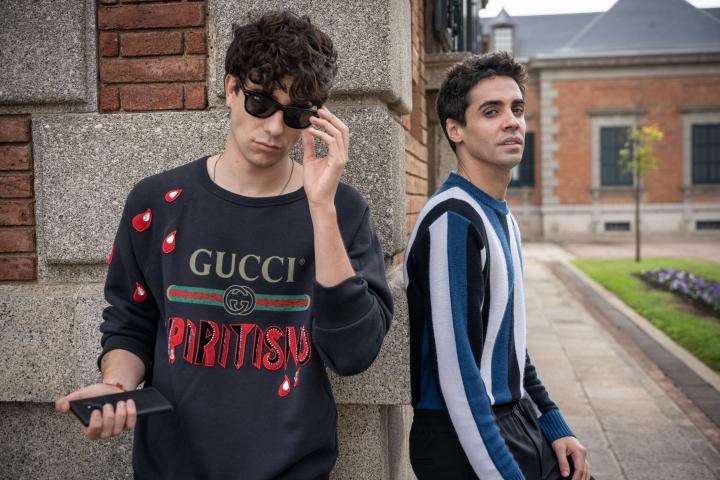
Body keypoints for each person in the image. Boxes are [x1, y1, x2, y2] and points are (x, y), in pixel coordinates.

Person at [55, 11, 392, 480]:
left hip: (291, 466)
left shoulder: (341, 209)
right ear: (231, 88)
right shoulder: (158, 201)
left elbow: (353, 354)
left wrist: (321, 208)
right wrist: (115, 388)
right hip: (173, 464)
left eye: (295, 114)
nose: (274, 129)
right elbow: (131, 322)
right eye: (260, 103)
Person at [403, 51, 591, 480]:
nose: (512, 122)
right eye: (491, 112)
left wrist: (554, 422)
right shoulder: (453, 220)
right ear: (455, 129)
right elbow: (458, 376)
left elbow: (508, 342)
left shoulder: (502, 217)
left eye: (517, 109)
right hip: (461, 436)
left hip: (515, 417)